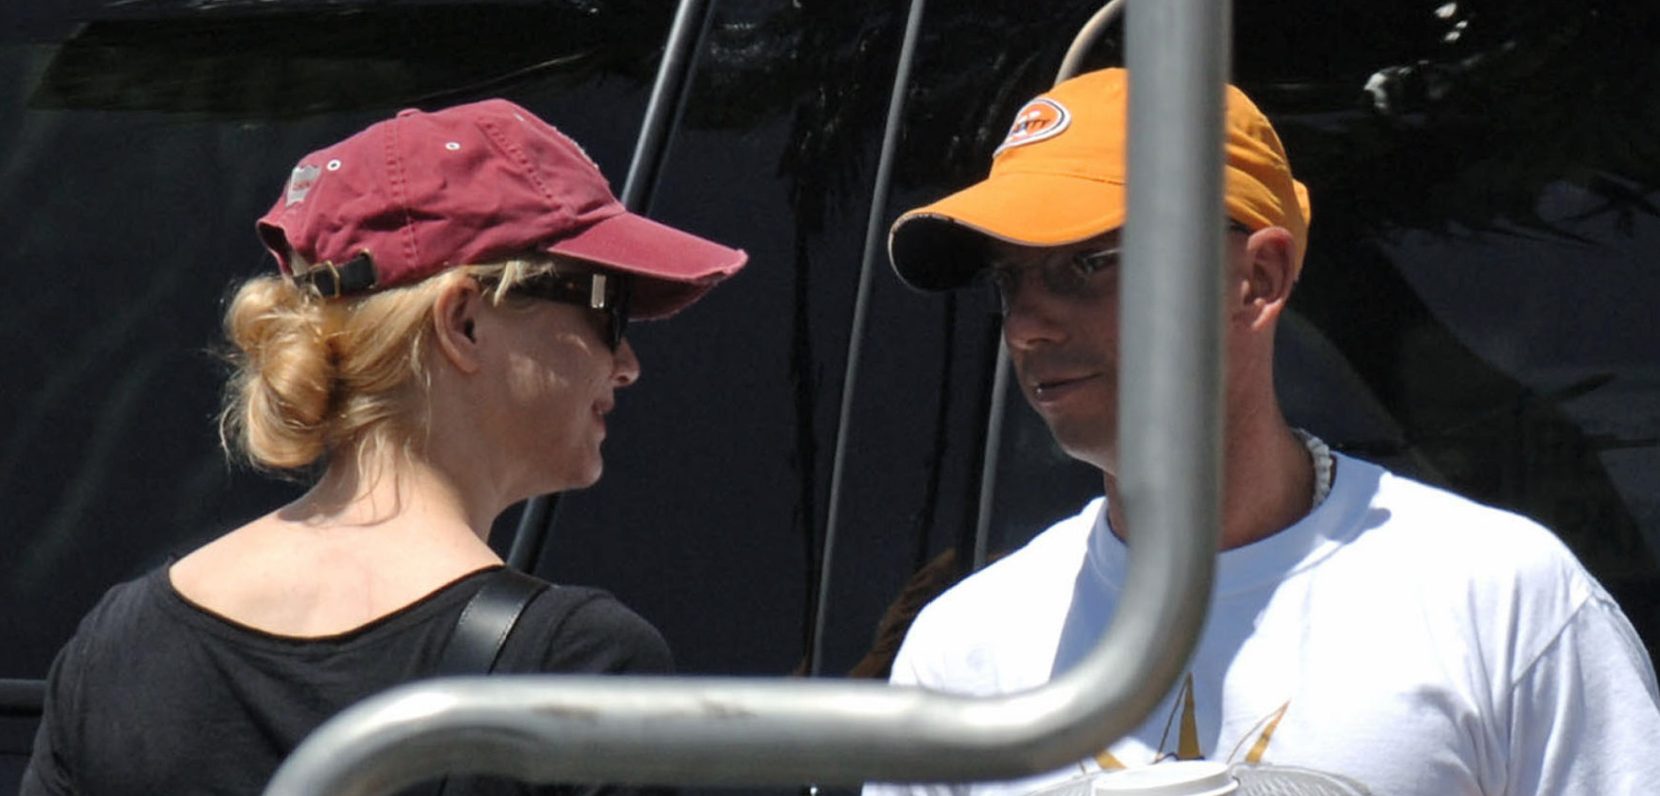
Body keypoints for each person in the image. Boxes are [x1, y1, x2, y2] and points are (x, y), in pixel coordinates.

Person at [865, 68, 1660, 795]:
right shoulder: (965, 651)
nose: (1027, 324)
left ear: (1260, 279)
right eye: (1011, 280)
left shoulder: (1501, 599)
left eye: (1090, 263)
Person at [21, 98, 747, 794]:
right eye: (607, 307)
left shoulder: (115, 646)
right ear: (464, 322)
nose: (626, 363)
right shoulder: (575, 669)